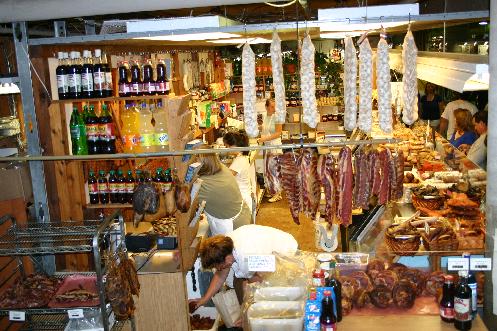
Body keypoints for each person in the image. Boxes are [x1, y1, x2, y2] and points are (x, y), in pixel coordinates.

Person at [190, 224, 298, 309]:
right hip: (268, 249)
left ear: (226, 258)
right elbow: (220, 275)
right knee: (240, 285)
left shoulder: (246, 258)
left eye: (218, 266)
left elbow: (257, 287)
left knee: (276, 294)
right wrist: (204, 299)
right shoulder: (226, 245)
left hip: (286, 254)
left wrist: (247, 314)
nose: (218, 269)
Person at [197, 150, 251, 235]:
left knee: (232, 247)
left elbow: (186, 205)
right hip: (243, 214)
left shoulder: (205, 186)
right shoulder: (221, 167)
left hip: (232, 227)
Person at [223, 130, 256, 213]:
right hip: (244, 197)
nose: (226, 149)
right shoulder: (242, 157)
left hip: (242, 199)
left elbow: (226, 177)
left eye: (227, 146)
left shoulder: (239, 160)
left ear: (234, 145)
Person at [258, 99, 283, 203]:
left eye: (275, 106)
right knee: (268, 170)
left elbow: (278, 133)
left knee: (274, 170)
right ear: (266, 107)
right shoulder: (265, 116)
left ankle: (278, 193)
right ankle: (273, 191)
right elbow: (265, 129)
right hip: (267, 146)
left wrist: (264, 139)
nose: (274, 109)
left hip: (275, 146)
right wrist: (258, 128)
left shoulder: (277, 117)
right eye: (272, 107)